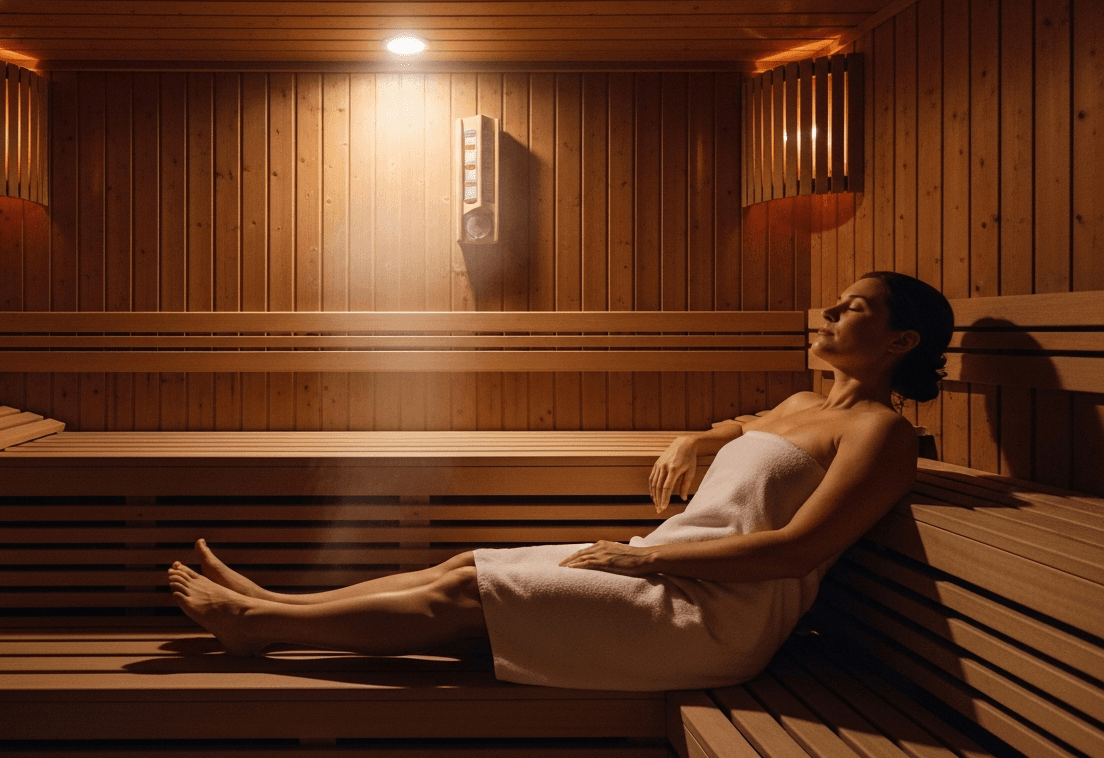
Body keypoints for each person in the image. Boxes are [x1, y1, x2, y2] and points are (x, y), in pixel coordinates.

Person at [168, 271, 955, 691]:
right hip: (666, 566)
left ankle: (261, 628)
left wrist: (645, 559)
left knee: (465, 595)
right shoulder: (800, 403)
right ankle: (274, 603)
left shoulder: (880, 435)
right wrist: (696, 438)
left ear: (900, 341)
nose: (828, 312)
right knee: (461, 563)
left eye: (853, 308)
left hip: (711, 617)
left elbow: (794, 550)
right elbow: (747, 430)